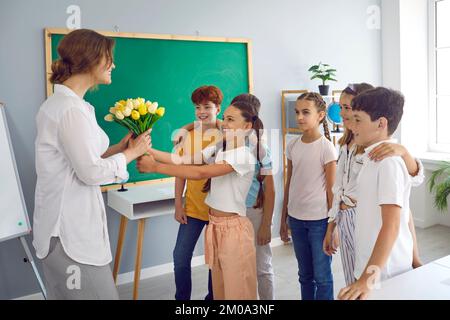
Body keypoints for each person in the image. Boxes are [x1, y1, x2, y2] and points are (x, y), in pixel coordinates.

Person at [33, 29, 150, 300]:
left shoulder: (68, 105)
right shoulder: (70, 110)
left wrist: (119, 149)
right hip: (69, 235)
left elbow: (81, 160)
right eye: (109, 58)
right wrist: (133, 154)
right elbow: (89, 172)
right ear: (91, 60)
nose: (114, 65)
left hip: (60, 230)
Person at [137, 98, 266, 299]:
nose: (224, 123)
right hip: (215, 225)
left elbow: (200, 173)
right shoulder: (220, 147)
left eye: (231, 120)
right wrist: (145, 149)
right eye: (225, 119)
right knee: (220, 289)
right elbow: (184, 161)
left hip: (233, 230)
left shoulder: (243, 155)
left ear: (247, 126)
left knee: (237, 291)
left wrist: (155, 167)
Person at [323, 83, 424, 287]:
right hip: (368, 263)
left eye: (358, 120)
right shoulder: (370, 157)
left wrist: (366, 279)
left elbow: (393, 224)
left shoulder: (388, 162)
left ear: (381, 124)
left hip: (385, 272)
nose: (352, 125)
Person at [280, 92, 337, 300]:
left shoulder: (326, 148)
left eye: (306, 112)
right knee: (305, 276)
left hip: (319, 222)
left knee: (322, 277)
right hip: (296, 219)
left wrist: (333, 228)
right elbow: (289, 184)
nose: (300, 117)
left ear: (321, 115)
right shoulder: (292, 145)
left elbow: (333, 193)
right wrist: (283, 218)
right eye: (297, 112)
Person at [172, 85, 222, 300]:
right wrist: (178, 204)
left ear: (218, 108)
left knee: (215, 260)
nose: (202, 111)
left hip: (218, 210)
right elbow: (180, 171)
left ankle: (212, 299)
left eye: (207, 107)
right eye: (197, 107)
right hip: (192, 207)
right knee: (180, 257)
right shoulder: (187, 135)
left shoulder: (227, 134)